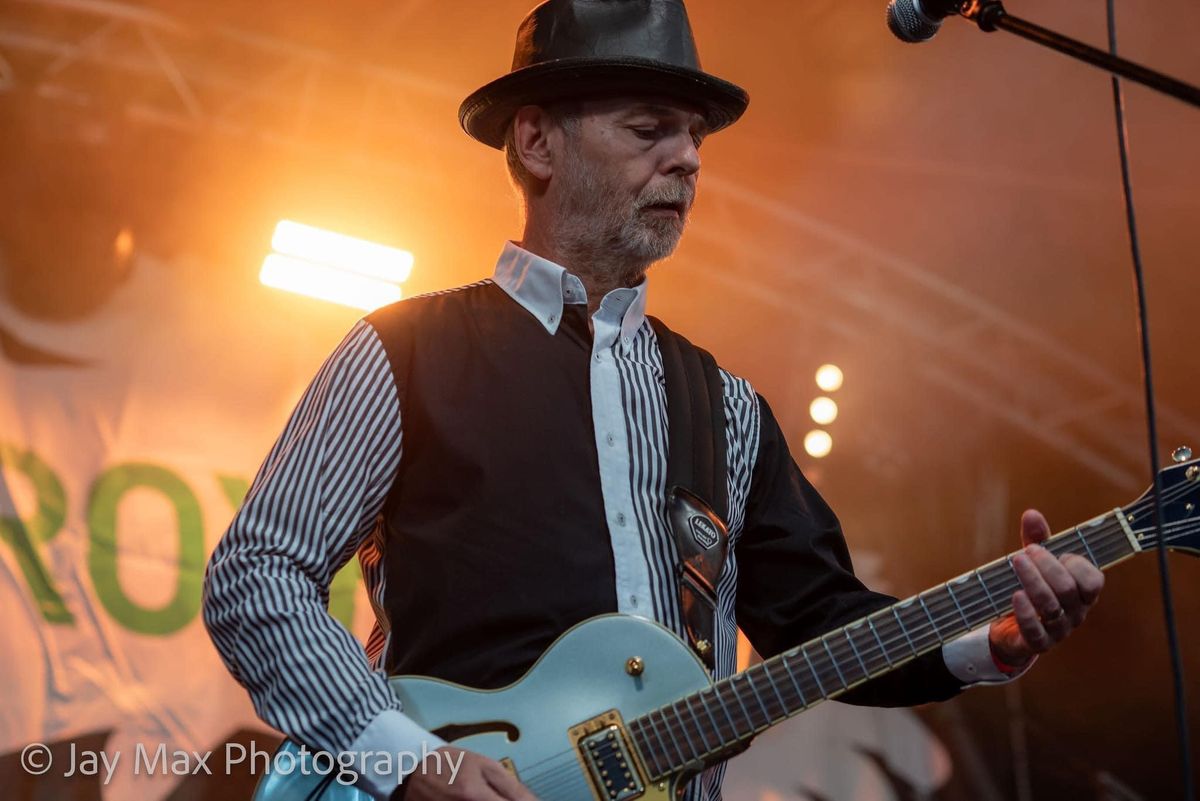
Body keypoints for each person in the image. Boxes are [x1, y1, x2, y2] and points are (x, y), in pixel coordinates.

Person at [202, 2, 1105, 800]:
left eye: (695, 140)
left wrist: (987, 639)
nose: (687, 159)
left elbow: (824, 619)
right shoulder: (403, 352)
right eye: (649, 130)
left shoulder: (728, 407)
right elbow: (256, 572)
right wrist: (409, 760)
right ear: (536, 141)